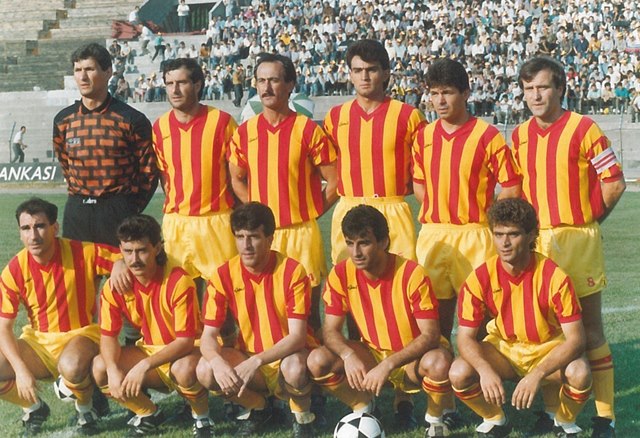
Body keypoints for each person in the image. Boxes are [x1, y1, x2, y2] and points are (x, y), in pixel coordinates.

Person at [512, 56, 626, 438]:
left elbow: (614, 183)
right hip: (537, 242)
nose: (535, 95)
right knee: (546, 332)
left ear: (560, 88)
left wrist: (589, 223)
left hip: (577, 239)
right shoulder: (519, 135)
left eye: (543, 87)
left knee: (590, 330)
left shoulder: (585, 128)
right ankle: (552, 412)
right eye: (528, 89)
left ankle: (605, 417)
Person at [306, 205, 455, 436]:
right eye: (350, 243)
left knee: (439, 362)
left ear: (384, 242)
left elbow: (430, 335)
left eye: (364, 243)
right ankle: (363, 407)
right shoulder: (341, 274)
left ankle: (435, 419)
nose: (356, 252)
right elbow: (330, 330)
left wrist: (388, 364)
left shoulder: (412, 273)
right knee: (317, 360)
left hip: (411, 360)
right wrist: (348, 355)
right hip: (372, 354)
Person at [450, 198, 592, 438]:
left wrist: (537, 374)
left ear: (531, 235)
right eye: (498, 234)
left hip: (547, 348)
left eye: (513, 234)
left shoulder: (554, 277)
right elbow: (464, 338)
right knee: (459, 371)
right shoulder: (479, 278)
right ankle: (495, 419)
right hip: (504, 350)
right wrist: (484, 370)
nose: (504, 243)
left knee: (579, 372)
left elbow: (576, 340)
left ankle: (563, 421)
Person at [228, 53, 338, 333]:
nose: (266, 87)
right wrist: (257, 214)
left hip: (301, 233)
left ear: (289, 85)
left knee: (308, 314)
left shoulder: (308, 130)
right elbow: (236, 179)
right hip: (262, 235)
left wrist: (312, 212)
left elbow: (335, 182)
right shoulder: (245, 132)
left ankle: (313, 360)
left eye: (274, 80)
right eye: (261, 81)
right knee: (262, 309)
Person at [412, 58, 521, 341]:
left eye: (447, 92)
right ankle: (441, 368)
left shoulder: (487, 136)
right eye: (434, 93)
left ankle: (481, 367)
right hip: (433, 236)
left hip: (475, 235)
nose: (440, 100)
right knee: (433, 320)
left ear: (465, 93)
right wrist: (438, 210)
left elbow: (511, 185)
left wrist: (488, 218)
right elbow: (419, 184)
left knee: (481, 318)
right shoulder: (423, 136)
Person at [0, 198, 124, 435]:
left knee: (71, 365)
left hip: (82, 335)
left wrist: (119, 263)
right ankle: (34, 408)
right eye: (26, 228)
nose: (33, 235)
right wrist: (20, 370)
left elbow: (126, 256)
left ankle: (86, 411)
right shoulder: (14, 270)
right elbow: (3, 328)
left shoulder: (82, 252)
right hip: (39, 343)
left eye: (40, 226)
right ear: (20, 233)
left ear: (55, 227)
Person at [197, 202, 317, 438]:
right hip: (249, 360)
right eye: (240, 237)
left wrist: (257, 360)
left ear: (270, 239)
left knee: (294, 366)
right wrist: (217, 361)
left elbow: (297, 337)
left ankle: (302, 418)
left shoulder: (292, 271)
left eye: (253, 237)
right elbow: (208, 335)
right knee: (205, 369)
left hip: (288, 359)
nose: (246, 245)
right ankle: (259, 408)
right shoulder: (222, 275)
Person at [92, 215, 213, 437]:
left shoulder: (178, 280)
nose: (134, 259)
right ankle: (148, 413)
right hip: (150, 350)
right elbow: (108, 336)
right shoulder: (115, 286)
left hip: (188, 352)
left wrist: (144, 365)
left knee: (183, 369)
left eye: (142, 251)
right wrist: (112, 369)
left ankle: (202, 418)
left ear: (157, 248)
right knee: (100, 366)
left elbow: (185, 341)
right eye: (128, 251)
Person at [323, 39, 425, 265]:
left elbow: (424, 170)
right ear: (350, 75)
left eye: (371, 70)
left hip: (392, 208)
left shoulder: (409, 116)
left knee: (398, 278)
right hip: (348, 207)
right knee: (349, 279)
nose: (364, 77)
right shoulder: (335, 117)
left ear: (386, 73)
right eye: (357, 70)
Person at [53, 42, 157, 248]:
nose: (83, 77)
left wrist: (129, 207)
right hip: (78, 211)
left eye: (89, 69)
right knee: (77, 269)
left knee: (120, 270)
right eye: (78, 70)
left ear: (108, 72)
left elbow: (148, 172)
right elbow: (66, 165)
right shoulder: (63, 120)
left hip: (117, 210)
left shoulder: (131, 119)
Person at [152, 57, 238, 285]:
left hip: (216, 221)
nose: (174, 90)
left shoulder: (222, 122)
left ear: (197, 84)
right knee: (179, 294)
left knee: (223, 294)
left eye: (181, 83)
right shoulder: (159, 127)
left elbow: (237, 175)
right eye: (169, 84)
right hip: (176, 224)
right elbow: (164, 176)